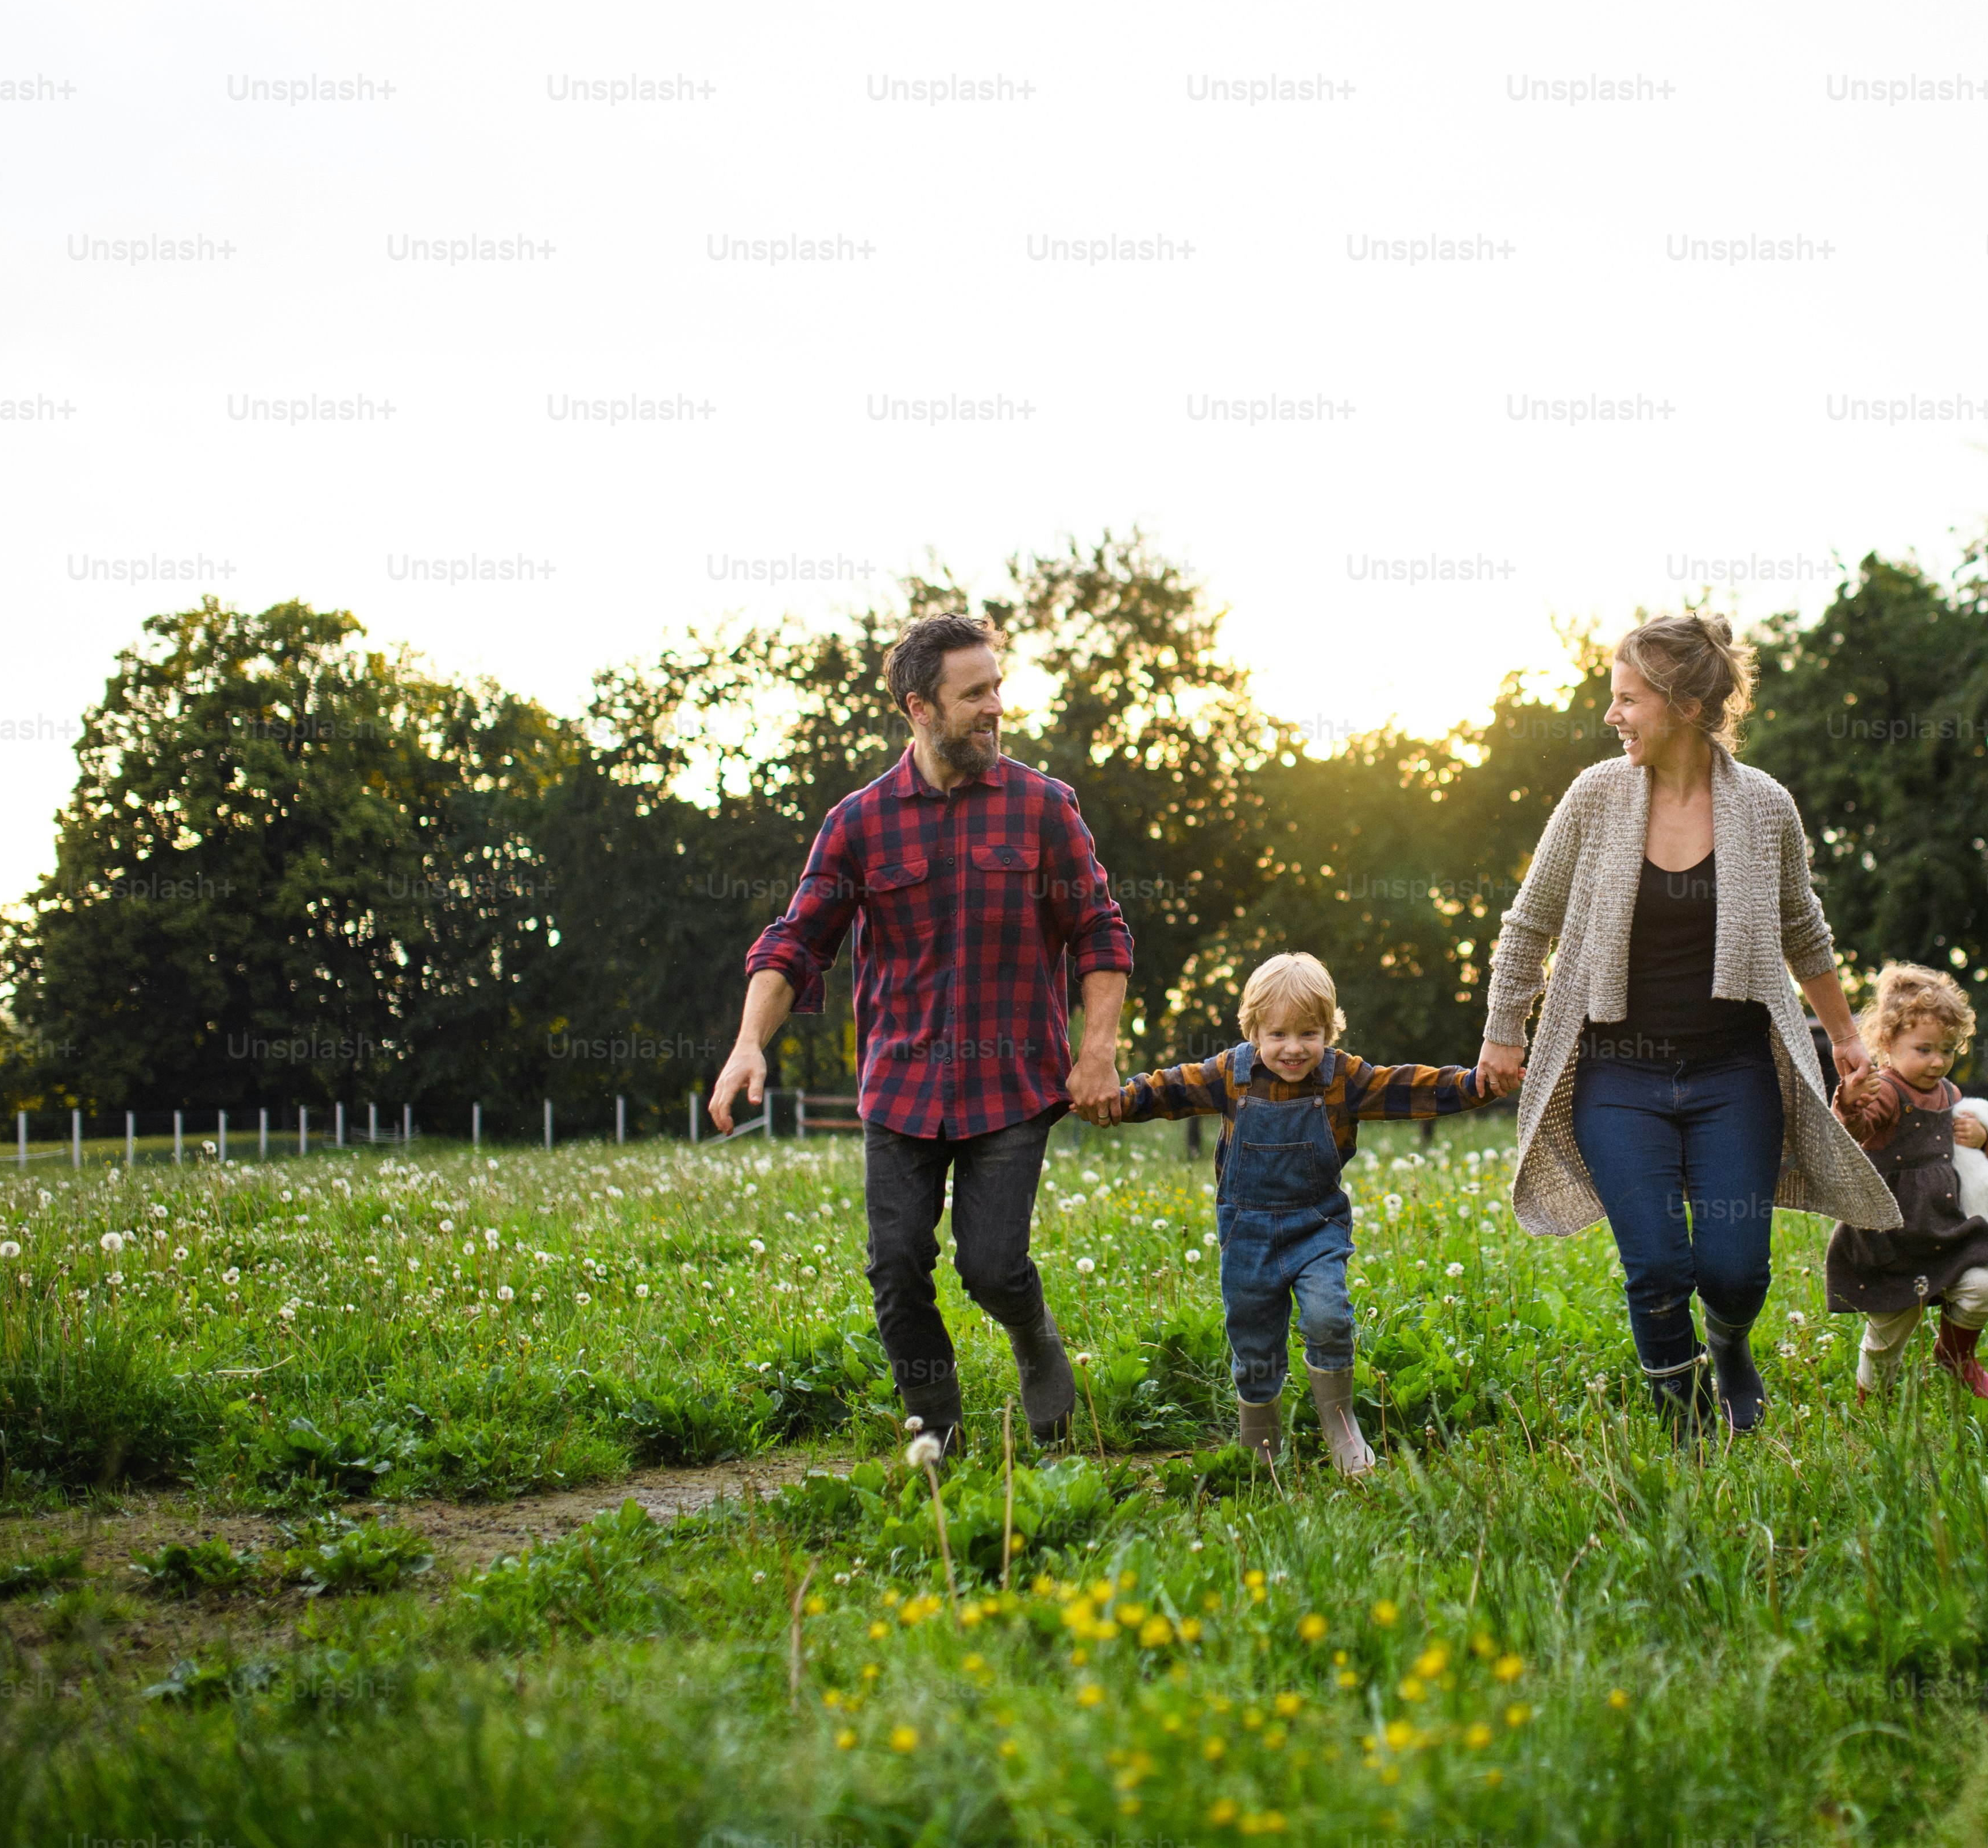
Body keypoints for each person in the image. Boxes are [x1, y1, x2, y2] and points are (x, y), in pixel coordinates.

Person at [710, 613, 1131, 1458]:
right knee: (897, 1269)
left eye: (997, 688)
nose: (995, 707)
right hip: (901, 1089)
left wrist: (1097, 1049)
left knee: (992, 1267)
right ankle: (935, 1429)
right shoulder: (860, 822)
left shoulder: (1046, 809)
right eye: (973, 693)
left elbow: (1099, 930)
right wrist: (749, 1041)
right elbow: (796, 940)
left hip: (1012, 1086)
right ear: (920, 708)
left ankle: (1033, 1336)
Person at [1475, 613, 1899, 1433]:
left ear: (1688, 707)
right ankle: (1686, 1424)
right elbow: (1531, 921)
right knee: (1658, 1263)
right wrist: (1504, 1028)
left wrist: (1846, 1037)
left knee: (1737, 1271)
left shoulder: (1765, 807)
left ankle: (1730, 1342)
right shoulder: (1595, 798)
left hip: (1733, 1073)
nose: (1612, 716)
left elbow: (1802, 928)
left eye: (1628, 699)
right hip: (1617, 1076)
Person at [1082, 952, 1490, 1477]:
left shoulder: (1343, 1078)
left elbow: (1409, 1087)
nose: (1294, 1049)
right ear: (1253, 1031)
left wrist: (1475, 1085)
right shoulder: (1231, 1073)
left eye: (1309, 1033)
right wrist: (1117, 1100)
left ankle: (1341, 1429)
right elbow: (1172, 1088)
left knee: (1328, 1317)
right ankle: (1260, 1443)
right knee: (1253, 1343)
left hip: (1316, 1227)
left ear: (1329, 1029)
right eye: (1277, 1035)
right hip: (1246, 1235)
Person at [1828, 963, 1988, 1401]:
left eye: (1948, 1050)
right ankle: (1872, 1404)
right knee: (1888, 1337)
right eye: (1925, 1049)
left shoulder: (1949, 1094)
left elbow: (1970, 1157)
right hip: (1892, 1238)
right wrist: (1851, 1108)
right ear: (1887, 1045)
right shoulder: (1886, 1092)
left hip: (1945, 1229)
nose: (1938, 1061)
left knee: (1986, 1288)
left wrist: (1983, 1137)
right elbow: (1856, 1131)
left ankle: (1955, 1356)